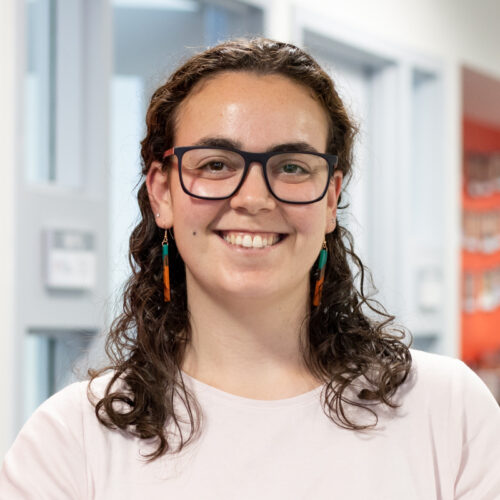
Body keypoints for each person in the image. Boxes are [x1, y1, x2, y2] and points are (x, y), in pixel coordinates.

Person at [1, 37, 499, 500]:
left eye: (292, 167)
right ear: (161, 193)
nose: (255, 199)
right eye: (216, 164)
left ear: (331, 199)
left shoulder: (447, 411)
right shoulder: (72, 441)